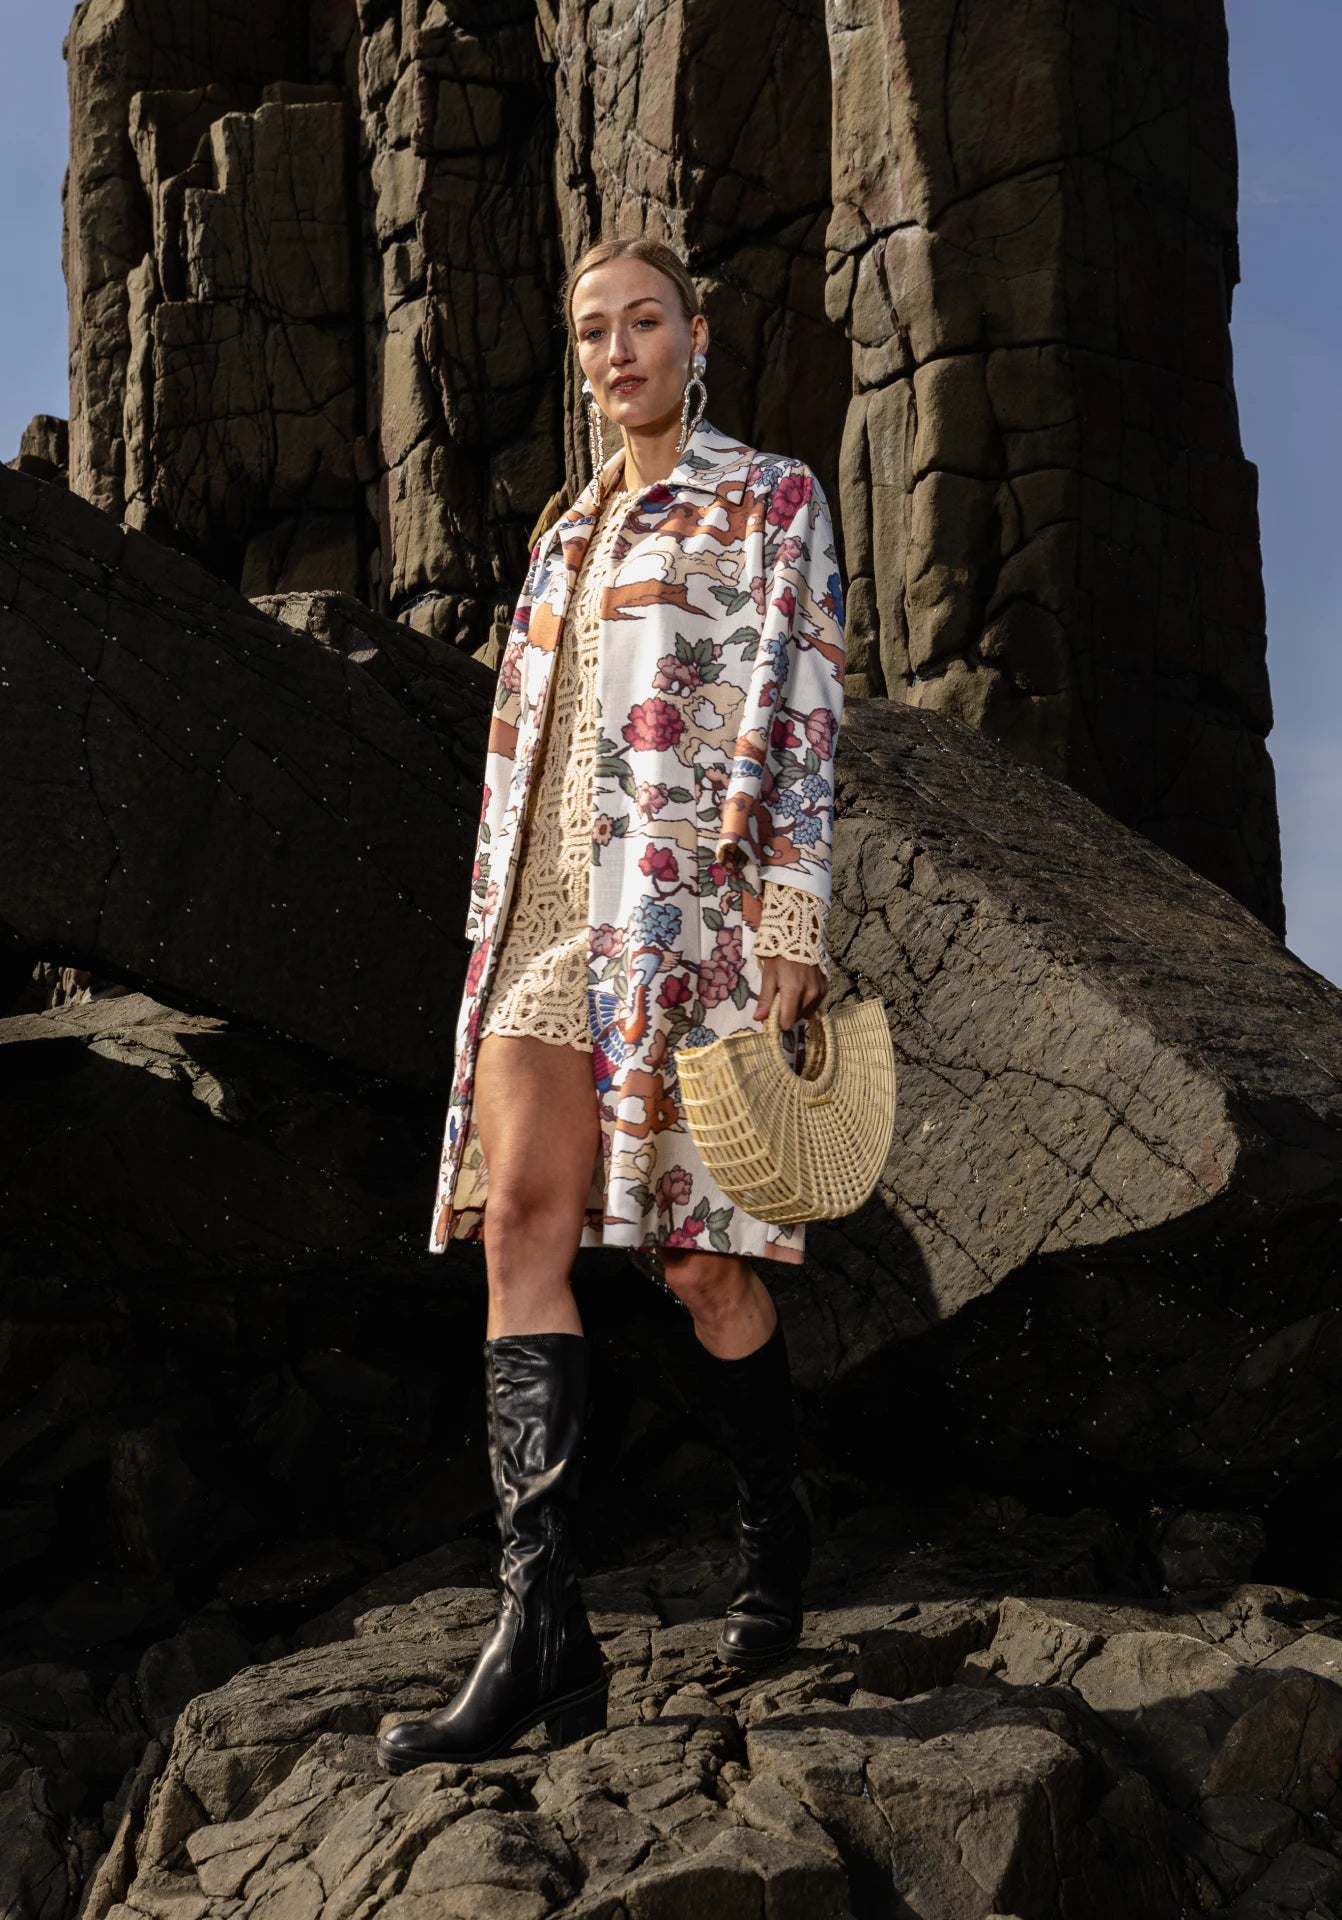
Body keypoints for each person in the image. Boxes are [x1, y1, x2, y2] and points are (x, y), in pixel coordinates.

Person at [378, 236, 846, 1775]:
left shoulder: (766, 496)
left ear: (694, 336)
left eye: (643, 322)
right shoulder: (564, 530)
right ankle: (541, 1628)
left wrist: (789, 915)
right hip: (538, 914)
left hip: (682, 921)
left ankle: (773, 1530)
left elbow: (801, 704)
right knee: (519, 1222)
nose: (618, 351)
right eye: (593, 332)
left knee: (699, 1268)